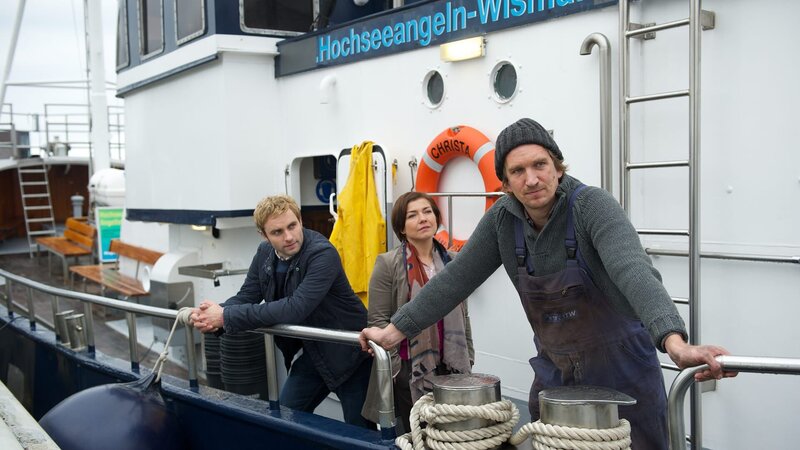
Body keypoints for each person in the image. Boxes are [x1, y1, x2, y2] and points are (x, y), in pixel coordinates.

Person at [359, 118, 736, 448]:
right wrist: (393, 332)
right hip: (555, 375)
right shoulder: (501, 223)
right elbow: (453, 282)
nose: (532, 179)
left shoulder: (593, 206)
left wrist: (674, 342)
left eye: (540, 164)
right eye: (518, 171)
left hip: (623, 374)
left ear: (557, 166)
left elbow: (633, 270)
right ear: (504, 182)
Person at [192, 194, 374, 429]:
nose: (289, 237)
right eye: (277, 232)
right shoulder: (264, 254)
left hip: (351, 354)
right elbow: (247, 296)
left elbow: (295, 308)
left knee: (359, 432)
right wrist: (213, 315)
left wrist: (225, 316)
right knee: (285, 419)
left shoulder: (322, 253)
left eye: (292, 226)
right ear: (264, 236)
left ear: (300, 221)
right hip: (313, 352)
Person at [361, 192, 473, 432]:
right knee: (420, 433)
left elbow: (463, 315)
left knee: (452, 432)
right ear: (401, 227)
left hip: (451, 363)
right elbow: (378, 319)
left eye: (427, 212)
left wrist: (468, 357)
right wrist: (395, 369)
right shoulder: (387, 264)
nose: (423, 218)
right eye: (413, 215)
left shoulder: (453, 262)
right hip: (409, 368)